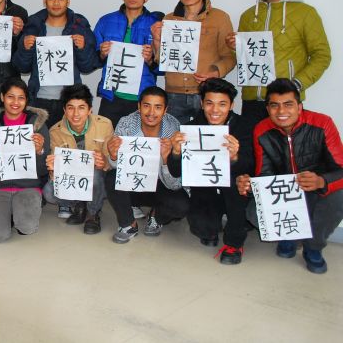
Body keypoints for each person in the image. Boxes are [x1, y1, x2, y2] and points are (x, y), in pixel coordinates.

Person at [236, 79, 343, 274]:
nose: (281, 111)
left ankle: (313, 247)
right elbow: (264, 174)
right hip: (285, 192)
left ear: (299, 107)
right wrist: (251, 186)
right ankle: (289, 237)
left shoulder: (322, 123)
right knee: (253, 211)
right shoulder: (261, 129)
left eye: (288, 104)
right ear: (267, 109)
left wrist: (321, 181)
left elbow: (340, 169)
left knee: (339, 197)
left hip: (316, 188)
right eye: (274, 105)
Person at [225, 0, 331, 130]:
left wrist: (296, 84)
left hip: (285, 101)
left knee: (286, 147)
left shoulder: (305, 13)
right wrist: (234, 47)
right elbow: (243, 57)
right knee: (253, 146)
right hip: (252, 101)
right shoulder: (248, 16)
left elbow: (322, 55)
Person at [167, 78, 253, 265]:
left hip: (234, 187)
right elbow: (175, 172)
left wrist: (235, 157)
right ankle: (212, 225)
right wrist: (175, 152)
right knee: (203, 229)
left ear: (231, 105)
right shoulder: (190, 129)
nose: (215, 110)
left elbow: (251, 166)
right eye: (209, 103)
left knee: (237, 185)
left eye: (222, 104)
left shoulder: (244, 126)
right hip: (206, 188)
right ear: (201, 103)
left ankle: (234, 243)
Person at [12, 0, 101, 128]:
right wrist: (25, 49)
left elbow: (88, 67)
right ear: (44, 0)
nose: (56, 3)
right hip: (38, 99)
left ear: (68, 1)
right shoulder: (33, 25)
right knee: (39, 142)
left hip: (69, 102)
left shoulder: (79, 26)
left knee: (68, 142)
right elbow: (22, 67)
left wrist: (83, 48)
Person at [105, 86, 189, 243]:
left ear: (165, 110)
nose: (151, 112)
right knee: (111, 177)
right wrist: (114, 156)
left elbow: (175, 185)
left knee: (181, 205)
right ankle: (128, 224)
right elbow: (116, 168)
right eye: (146, 106)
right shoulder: (126, 123)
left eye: (158, 107)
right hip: (134, 183)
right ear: (139, 106)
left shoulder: (174, 129)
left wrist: (166, 160)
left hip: (160, 185)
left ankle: (156, 216)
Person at [151, 0, 235, 124]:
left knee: (206, 135)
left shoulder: (220, 18)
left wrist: (215, 73)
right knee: (175, 135)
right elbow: (161, 60)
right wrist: (156, 40)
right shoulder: (169, 19)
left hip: (205, 92)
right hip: (173, 92)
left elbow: (229, 56)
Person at [0, 78, 49, 243]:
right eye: (10, 97)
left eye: (21, 98)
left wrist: (39, 150)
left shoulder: (38, 126)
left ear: (26, 100)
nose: (15, 102)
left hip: (28, 186)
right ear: (2, 97)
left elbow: (42, 171)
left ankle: (16, 212)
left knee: (27, 228)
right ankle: (8, 213)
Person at [94, 0, 162, 128]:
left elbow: (163, 69)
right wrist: (102, 54)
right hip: (112, 96)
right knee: (106, 139)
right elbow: (92, 60)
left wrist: (151, 60)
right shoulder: (106, 21)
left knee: (139, 141)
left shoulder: (156, 24)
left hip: (142, 98)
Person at [43, 84, 113, 233]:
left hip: (99, 179)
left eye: (81, 108)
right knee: (49, 192)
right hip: (73, 179)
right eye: (71, 108)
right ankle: (80, 205)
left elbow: (112, 161)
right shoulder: (55, 131)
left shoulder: (104, 125)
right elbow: (57, 172)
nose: (76, 114)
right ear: (64, 110)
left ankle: (93, 214)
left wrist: (104, 161)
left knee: (95, 175)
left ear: (90, 110)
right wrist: (53, 170)